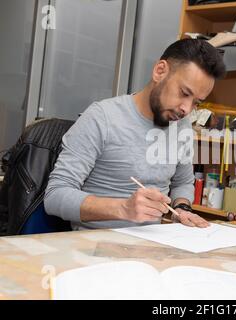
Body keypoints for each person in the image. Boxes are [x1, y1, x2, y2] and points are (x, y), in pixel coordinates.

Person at [44, 39, 226, 230]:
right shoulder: (102, 118)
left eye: (196, 102)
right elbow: (55, 195)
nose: (186, 109)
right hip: (96, 248)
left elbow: (183, 182)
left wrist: (181, 208)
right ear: (160, 71)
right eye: (184, 93)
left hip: (152, 247)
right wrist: (123, 208)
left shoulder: (182, 125)